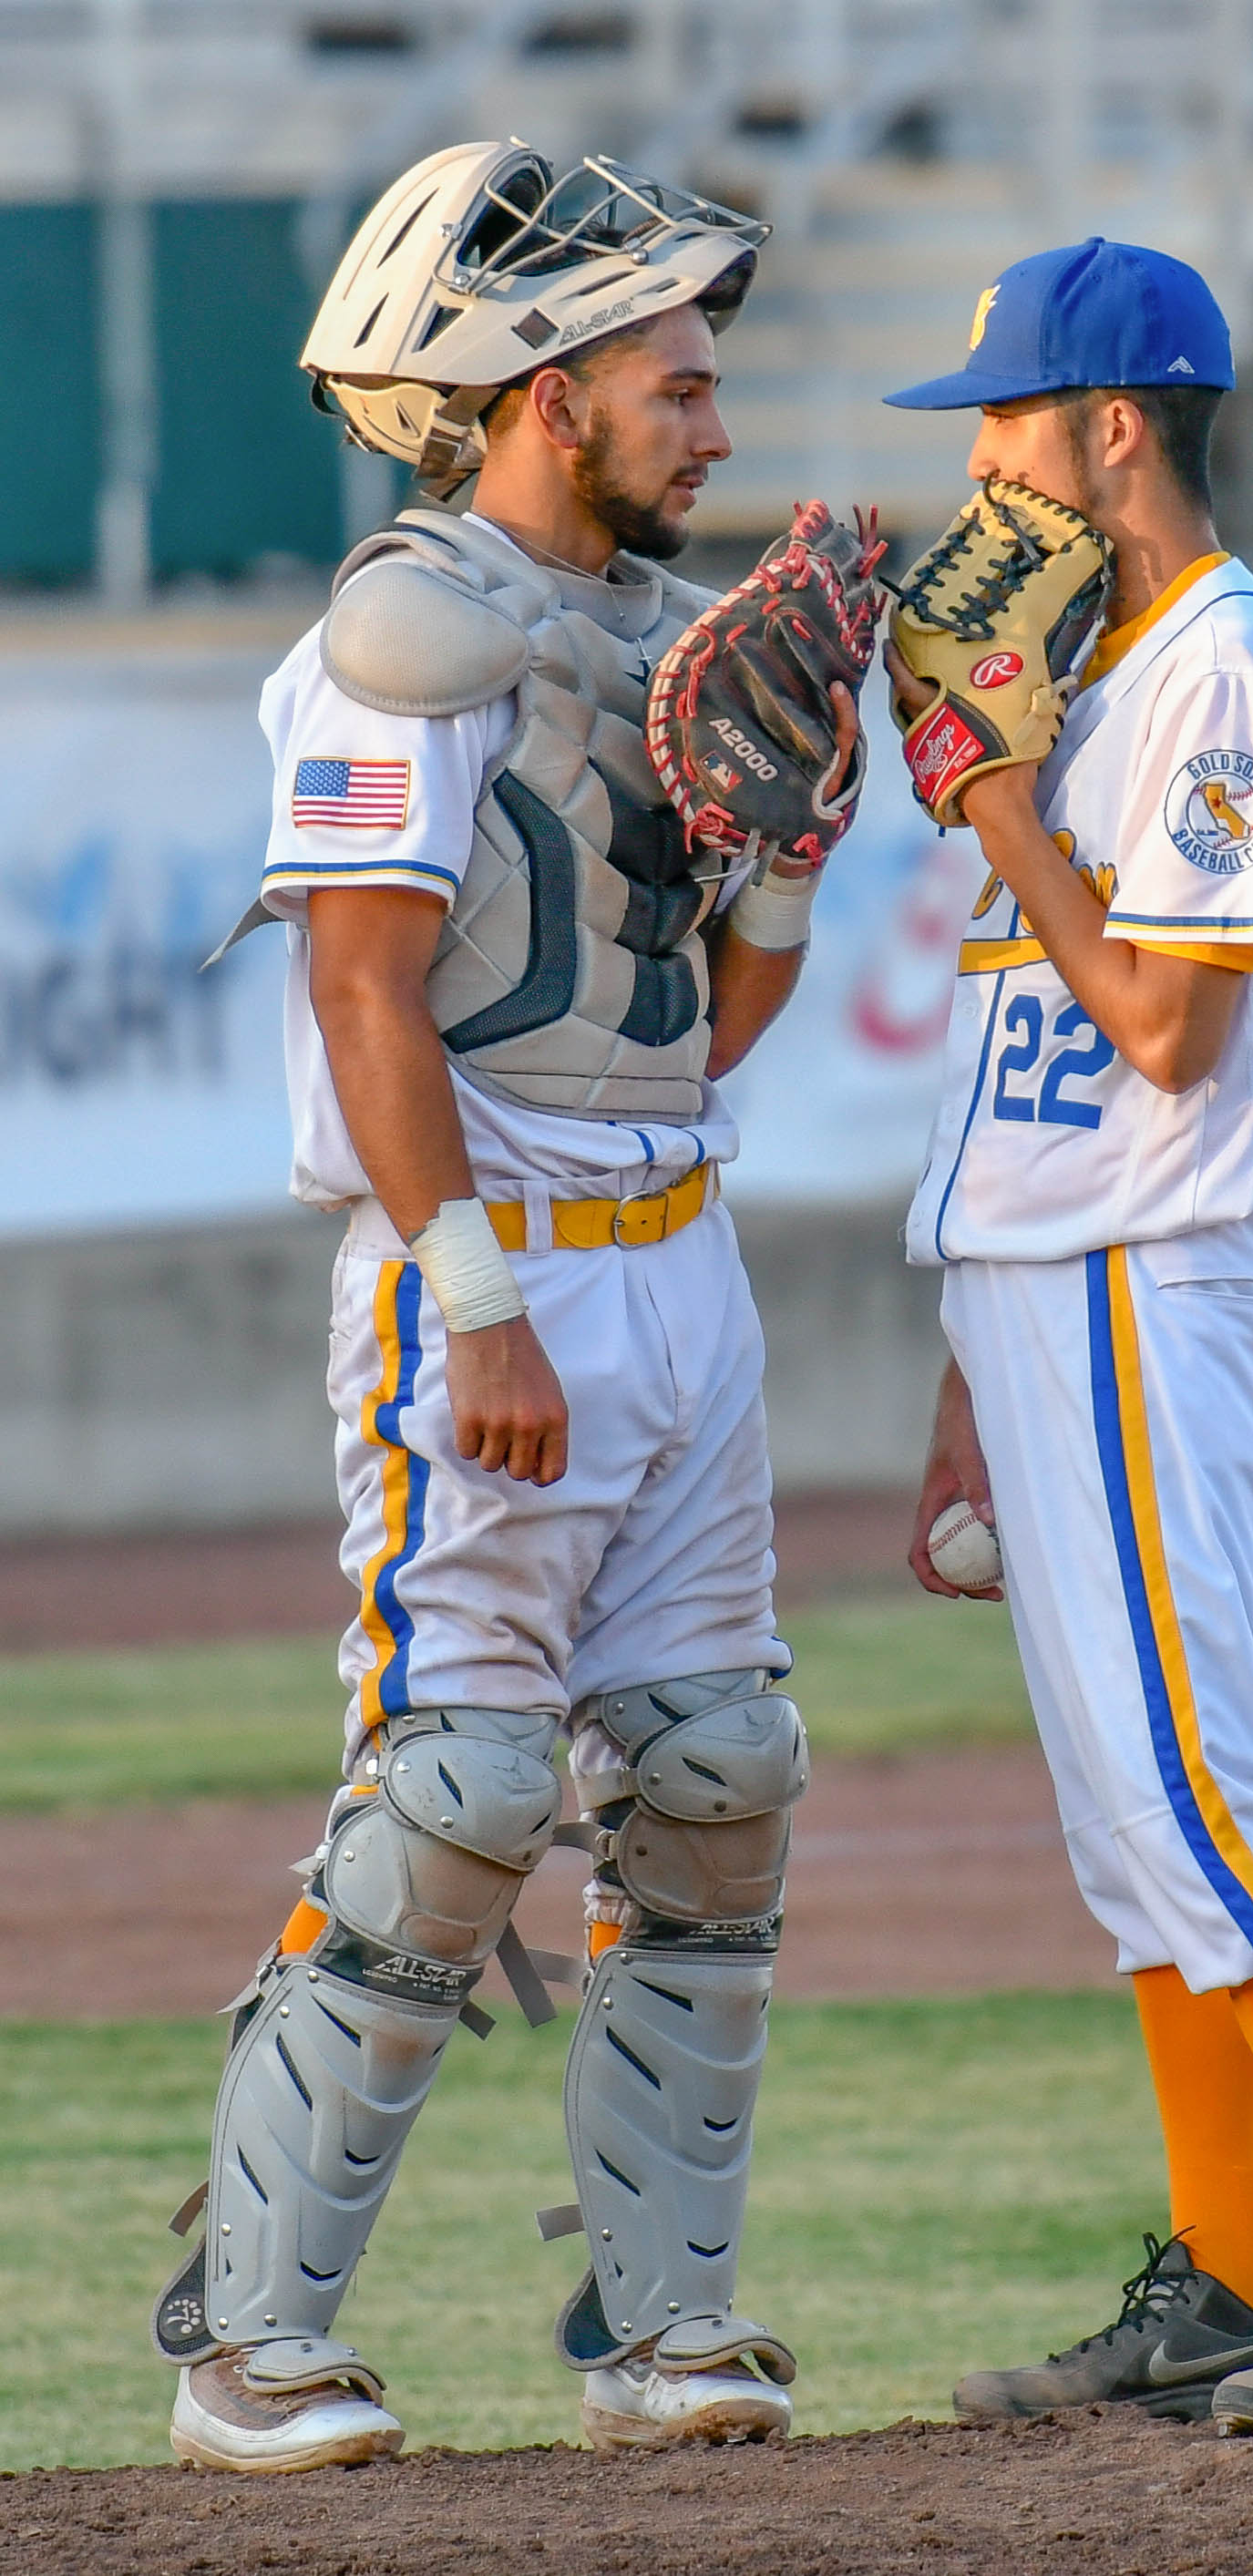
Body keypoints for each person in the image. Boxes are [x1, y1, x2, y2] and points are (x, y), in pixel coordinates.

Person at [153, 143, 846, 2471]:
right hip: (493, 1287)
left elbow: (708, 1035)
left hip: (682, 1265)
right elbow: (365, 990)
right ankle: (247, 2341)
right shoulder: (405, 629)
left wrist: (782, 855)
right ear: (538, 389)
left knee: (719, 1775)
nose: (714, 423)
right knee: (451, 1806)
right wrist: (477, 1305)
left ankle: (669, 2332)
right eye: (678, 377)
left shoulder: (662, 644)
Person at [885, 238, 1253, 2437]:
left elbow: (1159, 1025)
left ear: (1110, 425)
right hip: (1050, 1280)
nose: (982, 463)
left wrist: (995, 805)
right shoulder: (1097, 667)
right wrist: (964, 1356)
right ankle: (1223, 2279)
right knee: (1123, 1816)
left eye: (1004, 418)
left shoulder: (1219, 666)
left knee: (1200, 1786)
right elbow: (1021, 1042)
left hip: (1161, 1269)